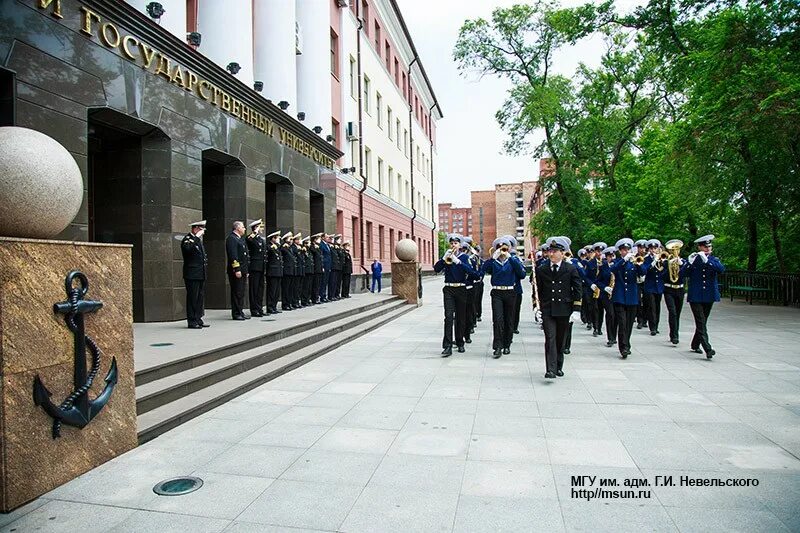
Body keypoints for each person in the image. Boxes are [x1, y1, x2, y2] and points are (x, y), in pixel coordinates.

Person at [535, 237, 582, 378]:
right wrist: (536, 307)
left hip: (564, 309)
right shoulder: (542, 269)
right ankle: (550, 369)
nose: (551, 254)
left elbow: (577, 289)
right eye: (550, 251)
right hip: (548, 309)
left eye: (555, 251)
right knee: (550, 338)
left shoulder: (570, 268)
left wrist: (576, 309)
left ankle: (558, 365)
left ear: (562, 253)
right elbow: (537, 290)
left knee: (560, 340)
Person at [481, 237, 526, 358]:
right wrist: (492, 258)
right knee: (498, 319)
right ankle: (498, 346)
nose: (502, 249)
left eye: (505, 247)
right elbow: (483, 271)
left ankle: (507, 344)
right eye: (500, 247)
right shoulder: (494, 262)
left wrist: (511, 258)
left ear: (509, 248)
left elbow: (522, 274)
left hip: (510, 292)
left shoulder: (513, 260)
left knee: (509, 319)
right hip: (497, 292)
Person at [434, 234, 478, 357]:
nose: (453, 245)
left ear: (460, 245)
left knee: (460, 317)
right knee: (448, 317)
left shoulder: (464, 258)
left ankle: (460, 342)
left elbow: (472, 273)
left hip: (461, 288)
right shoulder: (447, 256)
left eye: (456, 243)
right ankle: (447, 345)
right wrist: (444, 259)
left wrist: (458, 262)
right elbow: (436, 269)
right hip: (448, 288)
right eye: (452, 243)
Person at [686, 234, 725, 358]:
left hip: (709, 295)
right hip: (696, 296)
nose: (707, 248)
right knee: (701, 321)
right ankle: (708, 348)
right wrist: (689, 263)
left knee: (703, 321)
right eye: (705, 246)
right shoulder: (694, 260)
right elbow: (683, 274)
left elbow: (721, 269)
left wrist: (707, 261)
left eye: (709, 246)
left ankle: (695, 344)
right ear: (699, 247)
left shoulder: (714, 260)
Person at [610, 238, 648, 358]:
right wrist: (623, 261)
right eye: (623, 250)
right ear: (620, 251)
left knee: (629, 324)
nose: (625, 252)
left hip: (632, 297)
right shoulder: (618, 262)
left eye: (627, 249)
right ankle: (623, 347)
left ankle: (627, 343)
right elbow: (613, 270)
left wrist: (638, 263)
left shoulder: (634, 262)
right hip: (620, 297)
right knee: (622, 323)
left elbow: (643, 272)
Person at [181, 220, 208, 329]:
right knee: (192, 297)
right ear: (196, 228)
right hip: (192, 274)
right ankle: (192, 321)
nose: (203, 232)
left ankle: (198, 318)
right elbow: (187, 250)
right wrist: (196, 237)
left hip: (200, 274)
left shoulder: (197, 241)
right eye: (202, 229)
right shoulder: (188, 239)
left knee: (199, 297)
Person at [663, 239, 687, 344]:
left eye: (676, 250)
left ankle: (674, 332)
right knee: (672, 312)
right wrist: (668, 266)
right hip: (669, 289)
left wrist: (681, 265)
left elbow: (685, 274)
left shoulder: (684, 262)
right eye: (672, 250)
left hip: (680, 289)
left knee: (677, 312)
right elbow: (662, 276)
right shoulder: (666, 262)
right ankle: (674, 336)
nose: (674, 252)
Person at [226, 221, 249, 320]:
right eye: (243, 227)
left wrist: (246, 271)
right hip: (236, 271)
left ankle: (240, 311)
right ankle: (236, 313)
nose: (244, 229)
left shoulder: (239, 239)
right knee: (237, 292)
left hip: (242, 270)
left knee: (241, 292)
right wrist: (237, 269)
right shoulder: (232, 239)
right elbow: (233, 256)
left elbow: (244, 257)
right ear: (237, 228)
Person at [643, 239, 666, 336]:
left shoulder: (662, 258)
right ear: (649, 249)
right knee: (651, 306)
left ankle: (656, 325)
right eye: (651, 248)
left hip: (659, 286)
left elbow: (664, 272)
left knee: (657, 306)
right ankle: (652, 327)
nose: (653, 250)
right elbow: (644, 270)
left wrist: (663, 261)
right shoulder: (646, 259)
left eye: (655, 248)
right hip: (649, 286)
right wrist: (653, 262)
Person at [596, 246, 617, 347]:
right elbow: (598, 281)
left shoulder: (618, 264)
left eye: (612, 256)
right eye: (609, 256)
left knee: (616, 316)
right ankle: (610, 338)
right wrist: (604, 288)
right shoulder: (603, 266)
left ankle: (615, 335)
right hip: (606, 295)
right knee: (610, 314)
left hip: (617, 294)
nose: (611, 258)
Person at [246, 219, 266, 317]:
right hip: (254, 267)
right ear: (255, 227)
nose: (262, 228)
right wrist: (254, 233)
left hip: (261, 267)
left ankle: (259, 308)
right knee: (254, 289)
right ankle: (254, 309)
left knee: (260, 289)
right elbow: (248, 241)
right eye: (260, 226)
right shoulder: (251, 238)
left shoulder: (261, 239)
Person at [587, 242, 607, 337]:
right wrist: (591, 284)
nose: (599, 253)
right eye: (598, 251)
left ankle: (599, 327)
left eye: (601, 251)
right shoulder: (590, 263)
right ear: (595, 252)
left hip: (602, 289)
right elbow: (586, 276)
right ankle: (595, 327)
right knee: (594, 309)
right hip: (593, 289)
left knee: (601, 309)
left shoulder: (605, 262)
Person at [265, 230, 283, 314]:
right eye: (277, 238)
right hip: (272, 271)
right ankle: (270, 307)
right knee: (272, 290)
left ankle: (274, 306)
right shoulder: (269, 246)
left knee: (276, 291)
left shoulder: (277, 247)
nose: (279, 239)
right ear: (273, 238)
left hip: (278, 271)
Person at [280, 231, 295, 310]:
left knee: (290, 288)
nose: (292, 240)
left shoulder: (289, 247)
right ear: (286, 239)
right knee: (285, 288)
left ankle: (289, 303)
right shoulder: (284, 247)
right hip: (286, 270)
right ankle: (285, 304)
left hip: (291, 270)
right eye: (290, 239)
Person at [291, 233, 304, 307]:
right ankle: (294, 302)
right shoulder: (293, 247)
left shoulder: (300, 247)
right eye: (298, 239)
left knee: (299, 287)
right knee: (295, 287)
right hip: (297, 269)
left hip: (301, 269)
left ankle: (297, 301)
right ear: (295, 240)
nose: (299, 241)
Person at [472, 245, 485, 322]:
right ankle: (473, 315)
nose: (476, 252)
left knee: (478, 299)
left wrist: (480, 276)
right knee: (472, 300)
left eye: (477, 251)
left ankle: (478, 314)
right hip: (472, 282)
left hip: (479, 283)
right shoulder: (471, 259)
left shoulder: (481, 261)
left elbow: (482, 271)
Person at [310, 233, 323, 304]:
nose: (320, 240)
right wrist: (315, 246)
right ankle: (314, 299)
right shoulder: (312, 247)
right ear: (315, 239)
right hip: (315, 269)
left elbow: (320, 258)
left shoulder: (318, 247)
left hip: (319, 268)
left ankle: (317, 297)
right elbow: (313, 253)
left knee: (318, 285)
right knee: (315, 285)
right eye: (318, 238)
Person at [301, 236, 314, 306]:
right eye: (308, 242)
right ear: (305, 243)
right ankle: (304, 300)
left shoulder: (309, 251)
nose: (310, 244)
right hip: (306, 270)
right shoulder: (303, 250)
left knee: (309, 287)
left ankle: (308, 299)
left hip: (310, 270)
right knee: (305, 287)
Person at [329, 235, 343, 300]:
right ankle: (332, 295)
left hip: (337, 267)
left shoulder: (336, 247)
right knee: (333, 282)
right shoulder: (332, 247)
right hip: (333, 267)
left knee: (336, 282)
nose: (340, 240)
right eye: (339, 239)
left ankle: (335, 294)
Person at [319, 234, 332, 302]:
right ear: (323, 238)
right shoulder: (321, 245)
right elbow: (321, 256)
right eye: (326, 237)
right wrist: (322, 266)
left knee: (326, 281)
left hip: (328, 265)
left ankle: (324, 295)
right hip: (324, 265)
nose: (328, 238)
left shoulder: (327, 245)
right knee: (323, 282)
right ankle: (322, 296)